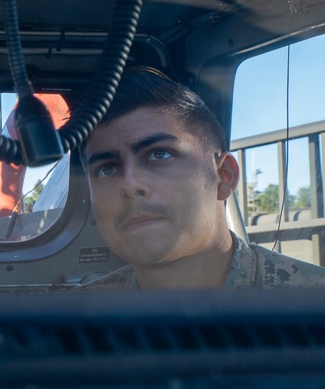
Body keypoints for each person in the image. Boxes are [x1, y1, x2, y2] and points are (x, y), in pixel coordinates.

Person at [80, 67, 325, 289]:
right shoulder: (72, 324)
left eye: (159, 154)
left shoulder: (312, 304)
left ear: (223, 176)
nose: (130, 184)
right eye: (107, 169)